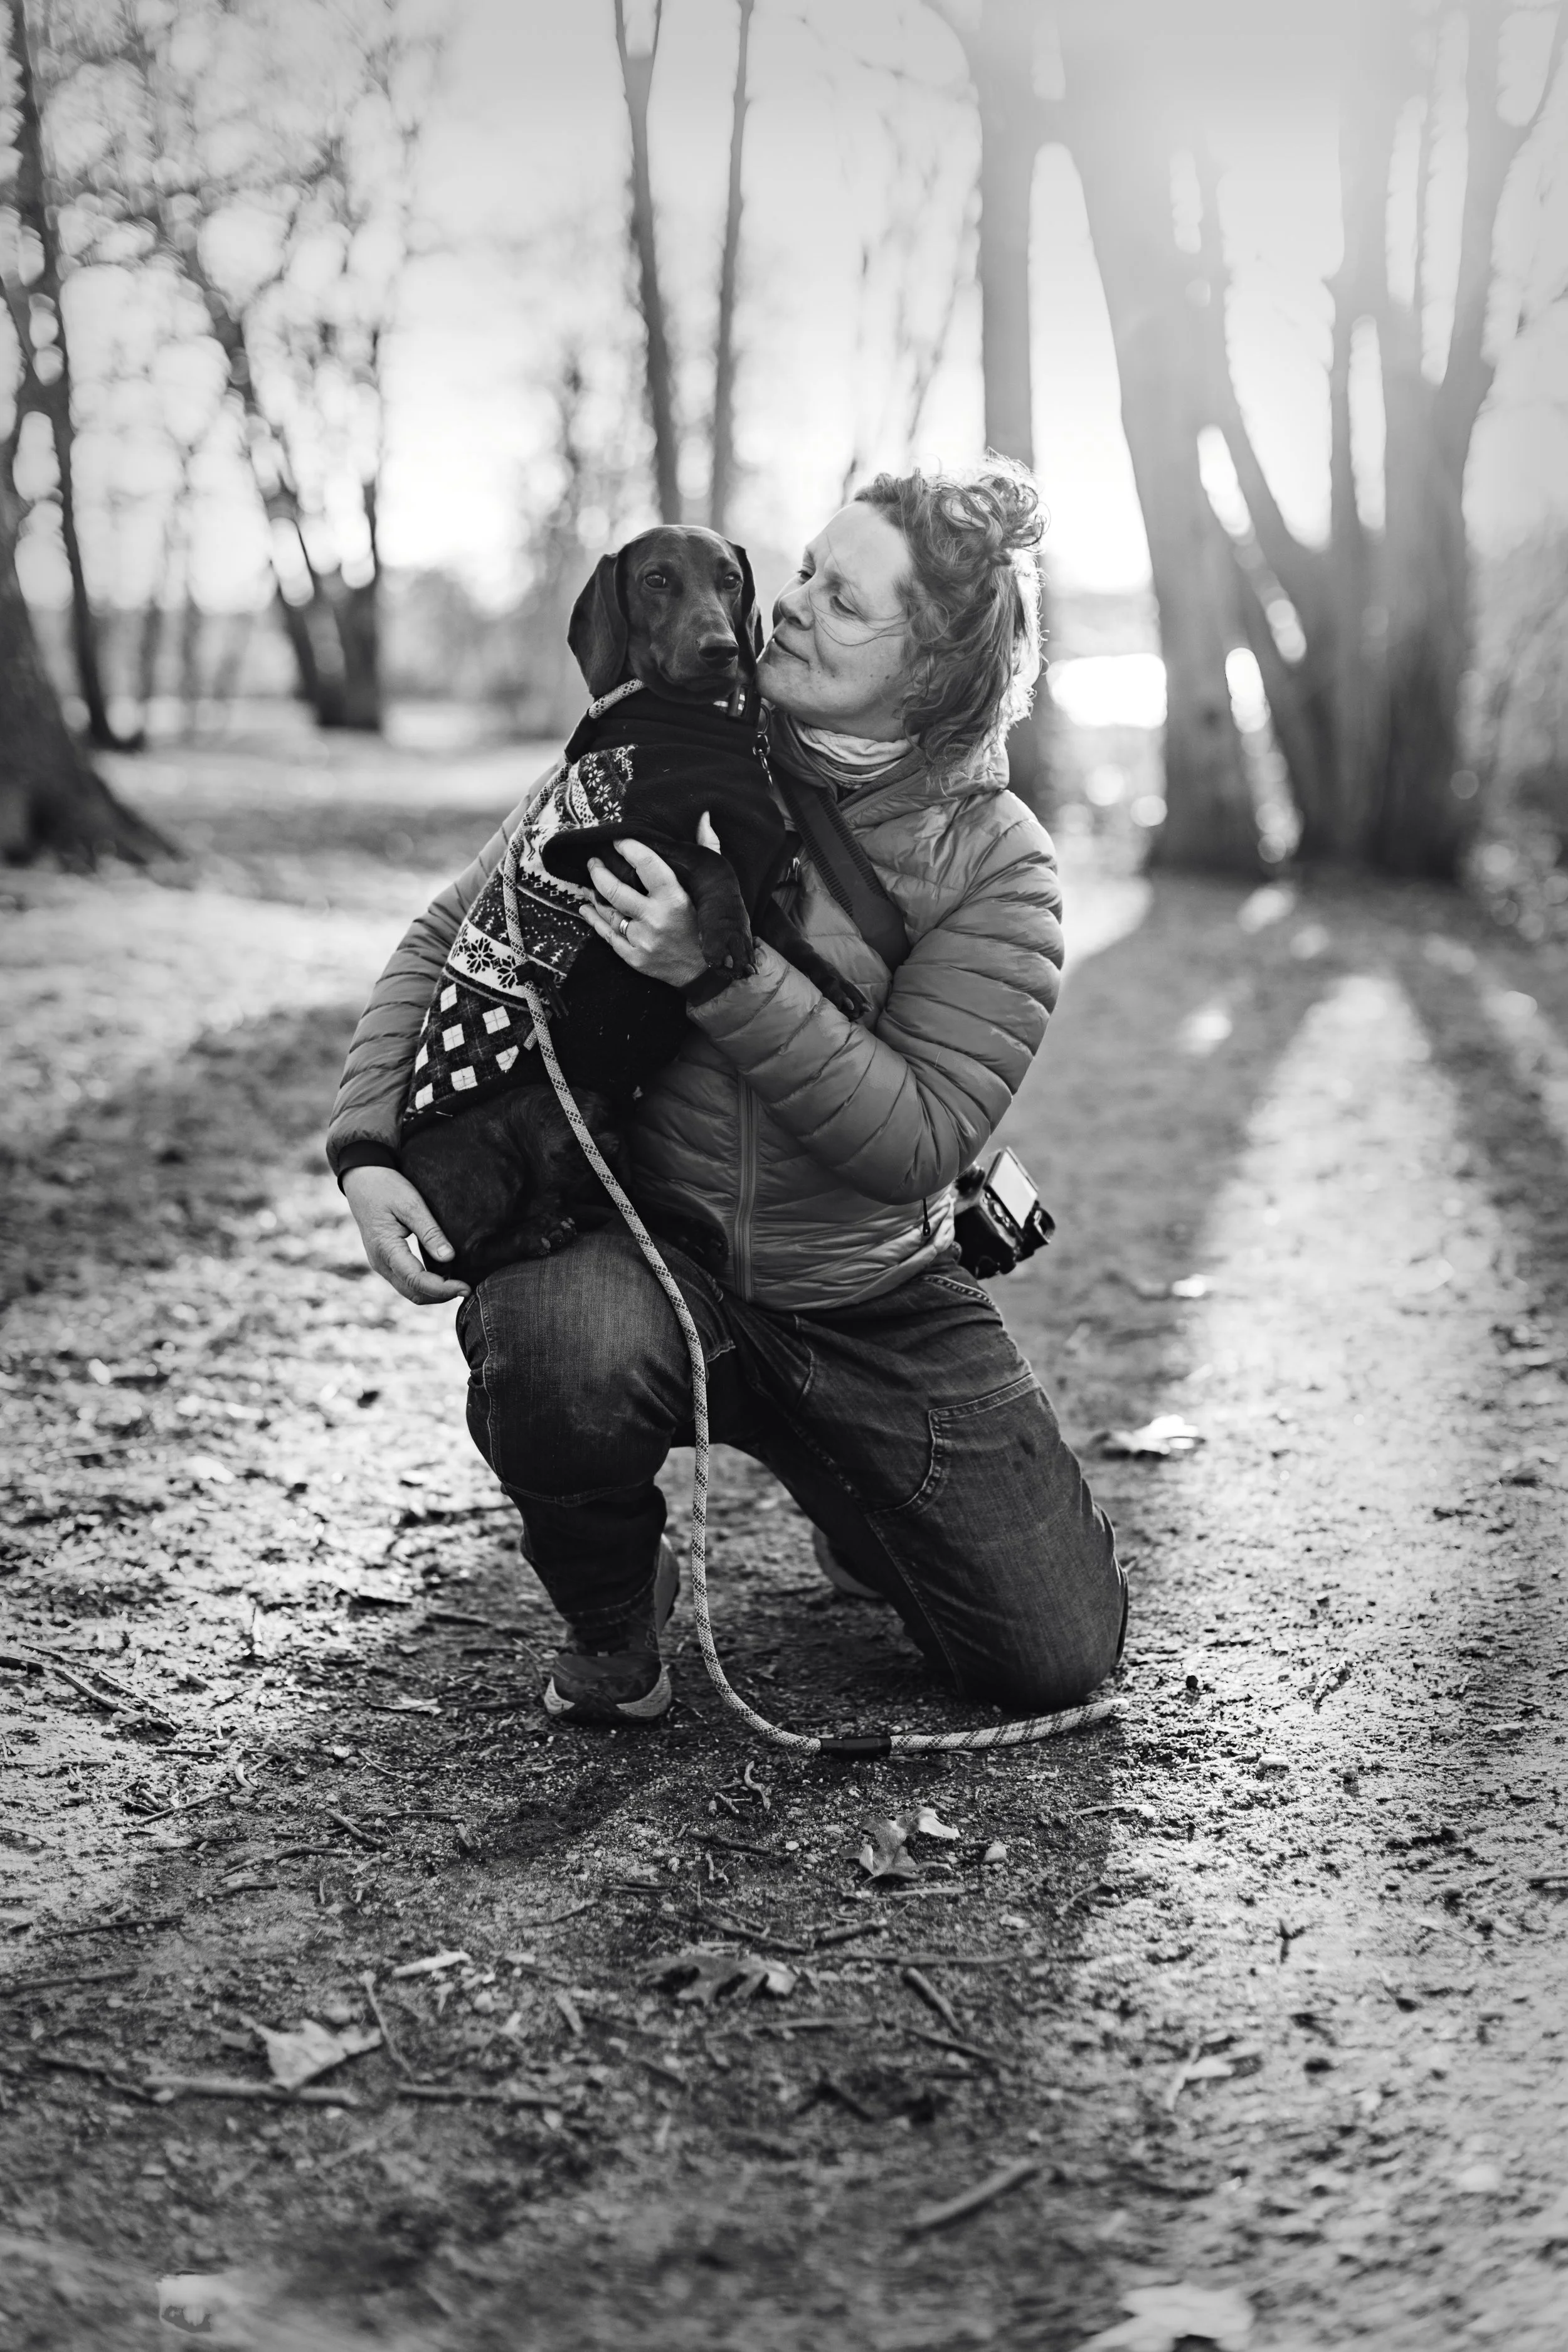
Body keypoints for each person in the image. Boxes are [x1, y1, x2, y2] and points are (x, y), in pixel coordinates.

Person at [327, 459, 1126, 1726]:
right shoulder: (665, 744)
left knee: (1053, 1654)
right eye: (805, 572)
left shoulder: (995, 864)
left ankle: (859, 1502)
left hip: (865, 1296)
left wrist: (720, 971)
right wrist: (369, 1142)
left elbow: (918, 1135)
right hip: (653, 1258)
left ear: (929, 667)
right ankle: (608, 1615)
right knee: (553, 1348)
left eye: (846, 603)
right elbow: (452, 927)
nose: (792, 605)